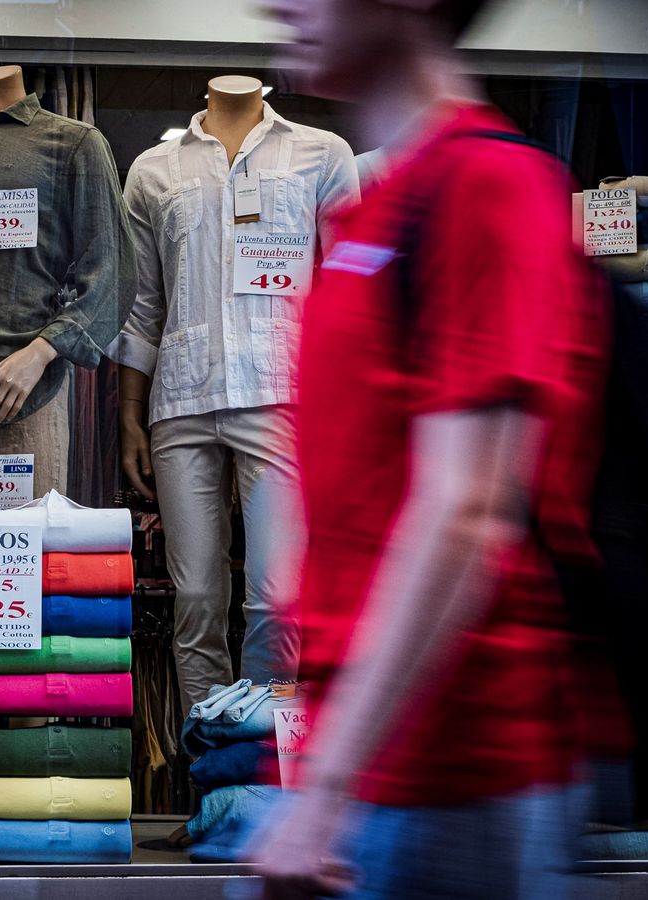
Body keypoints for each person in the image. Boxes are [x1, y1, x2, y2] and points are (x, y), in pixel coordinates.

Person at [248, 0, 609, 897]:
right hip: (376, 773)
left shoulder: (487, 185)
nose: (275, 3)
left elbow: (468, 509)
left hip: (455, 775)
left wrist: (325, 794)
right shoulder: (377, 212)